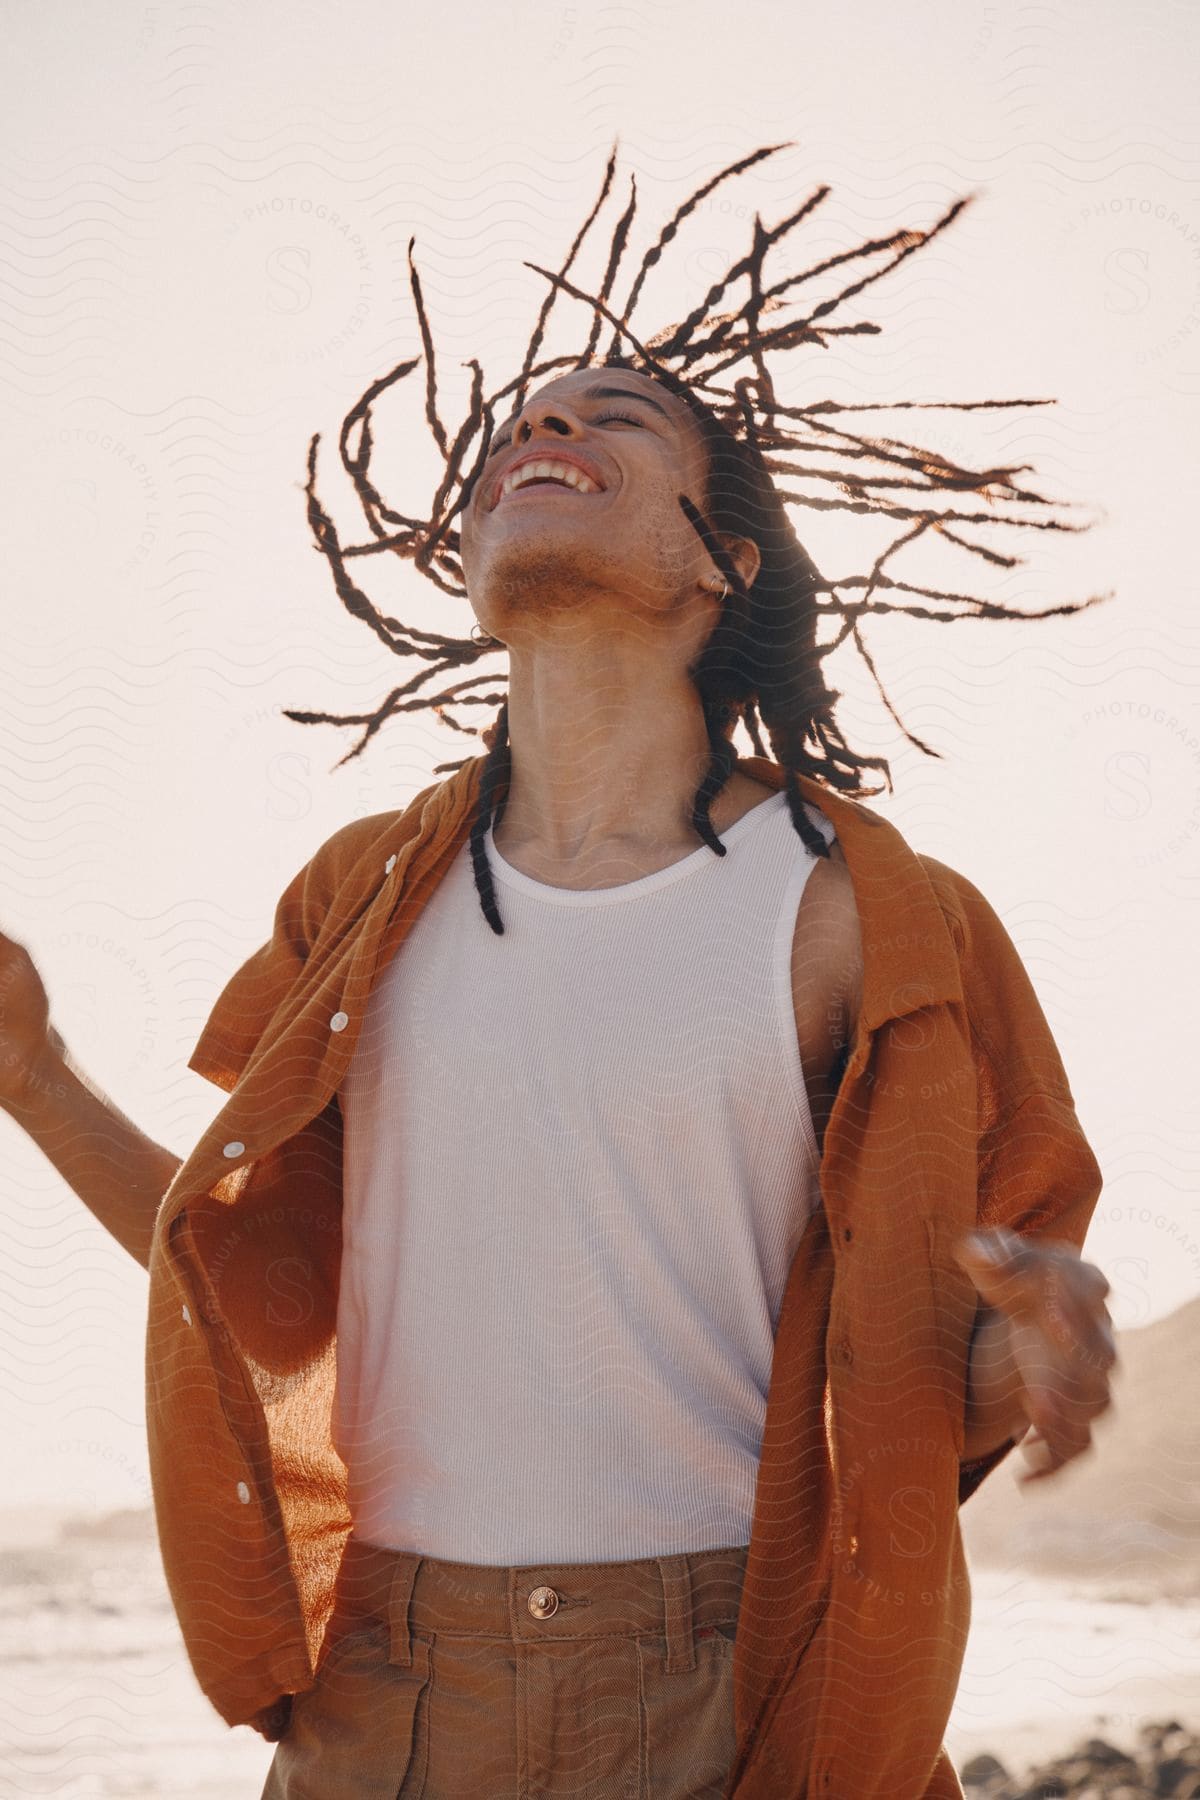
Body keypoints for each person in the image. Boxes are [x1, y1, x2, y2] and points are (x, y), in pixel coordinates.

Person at [1, 146, 1118, 1799]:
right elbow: (256, 1276)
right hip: (383, 1689)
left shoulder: (872, 922)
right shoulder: (361, 898)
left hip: (723, 1685)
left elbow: (922, 1373)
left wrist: (1031, 1353)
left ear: (723, 559)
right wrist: (32, 1075)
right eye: (522, 419)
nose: (545, 428)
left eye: (615, 416)